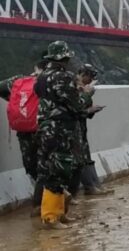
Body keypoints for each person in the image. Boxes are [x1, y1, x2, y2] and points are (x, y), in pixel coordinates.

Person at [34, 41, 99, 229]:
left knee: (52, 168)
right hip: (60, 129)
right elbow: (76, 104)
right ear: (64, 58)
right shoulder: (64, 77)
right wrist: (87, 94)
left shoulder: (42, 77)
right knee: (59, 169)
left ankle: (60, 213)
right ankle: (50, 217)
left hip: (45, 127)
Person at [0, 58, 48, 216]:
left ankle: (40, 203)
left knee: (31, 166)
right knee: (45, 167)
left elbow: (1, 87)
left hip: (24, 130)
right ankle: (41, 204)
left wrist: (13, 99)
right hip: (44, 130)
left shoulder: (18, 80)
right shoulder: (50, 81)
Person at [68, 64, 112, 198]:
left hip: (81, 127)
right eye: (90, 77)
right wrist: (87, 99)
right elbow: (75, 108)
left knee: (86, 156)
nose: (91, 80)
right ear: (84, 74)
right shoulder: (72, 86)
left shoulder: (84, 88)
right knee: (80, 158)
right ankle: (89, 187)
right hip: (73, 128)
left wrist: (91, 110)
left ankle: (95, 185)